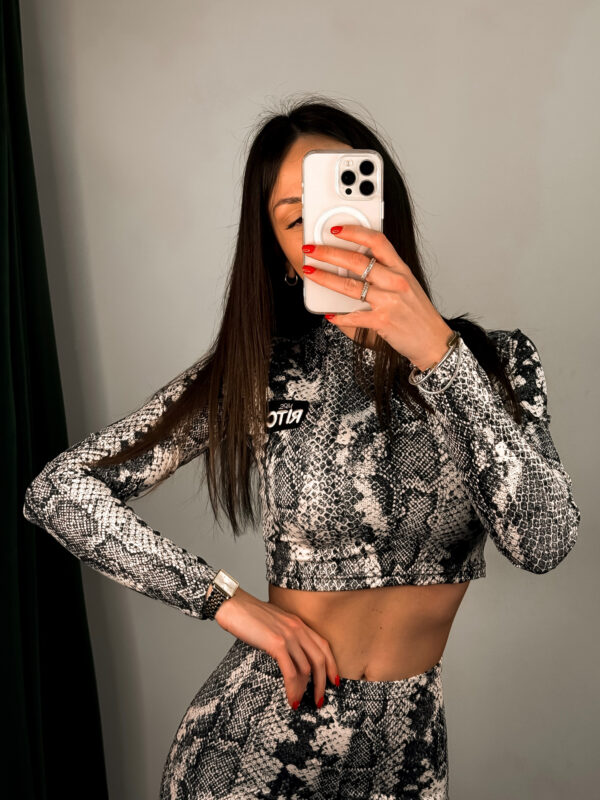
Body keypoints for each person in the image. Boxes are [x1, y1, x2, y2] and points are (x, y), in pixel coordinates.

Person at [22, 97, 581, 799]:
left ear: (383, 208)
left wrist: (439, 354)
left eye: (343, 202)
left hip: (407, 759)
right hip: (257, 745)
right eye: (297, 218)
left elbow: (543, 542)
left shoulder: (498, 363)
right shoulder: (260, 371)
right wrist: (224, 600)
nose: (329, 229)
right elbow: (59, 491)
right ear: (284, 255)